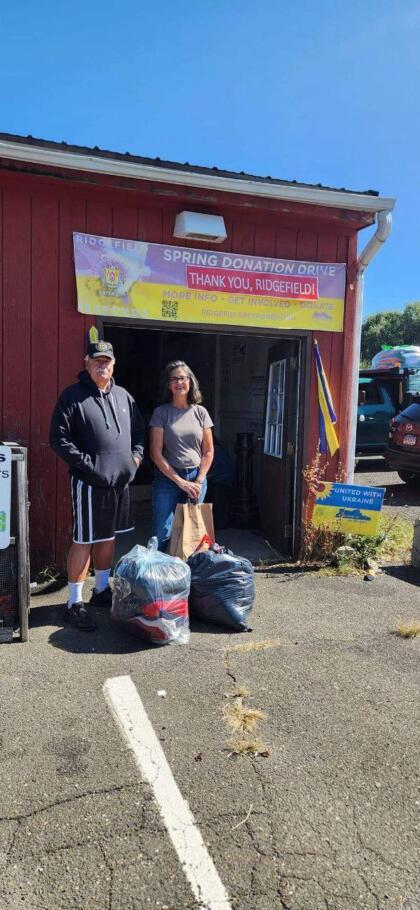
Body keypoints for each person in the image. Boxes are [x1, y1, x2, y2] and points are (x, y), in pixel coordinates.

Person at [49, 340, 145, 631]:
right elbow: (59, 439)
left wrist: (135, 460)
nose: (102, 365)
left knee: (108, 537)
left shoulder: (124, 396)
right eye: (96, 360)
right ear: (87, 362)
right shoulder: (72, 397)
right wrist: (89, 467)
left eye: (107, 360)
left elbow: (139, 434)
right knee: (84, 540)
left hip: (120, 484)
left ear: (113, 364)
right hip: (89, 483)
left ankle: (101, 590)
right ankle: (74, 603)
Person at [149, 360, 214, 550]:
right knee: (162, 532)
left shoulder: (200, 412)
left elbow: (208, 451)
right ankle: (159, 576)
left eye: (183, 378)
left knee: (192, 531)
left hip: (196, 478)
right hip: (168, 479)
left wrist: (199, 480)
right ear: (169, 385)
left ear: (191, 382)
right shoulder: (161, 413)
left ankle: (187, 575)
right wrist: (180, 481)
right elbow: (155, 453)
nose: (179, 383)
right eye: (174, 379)